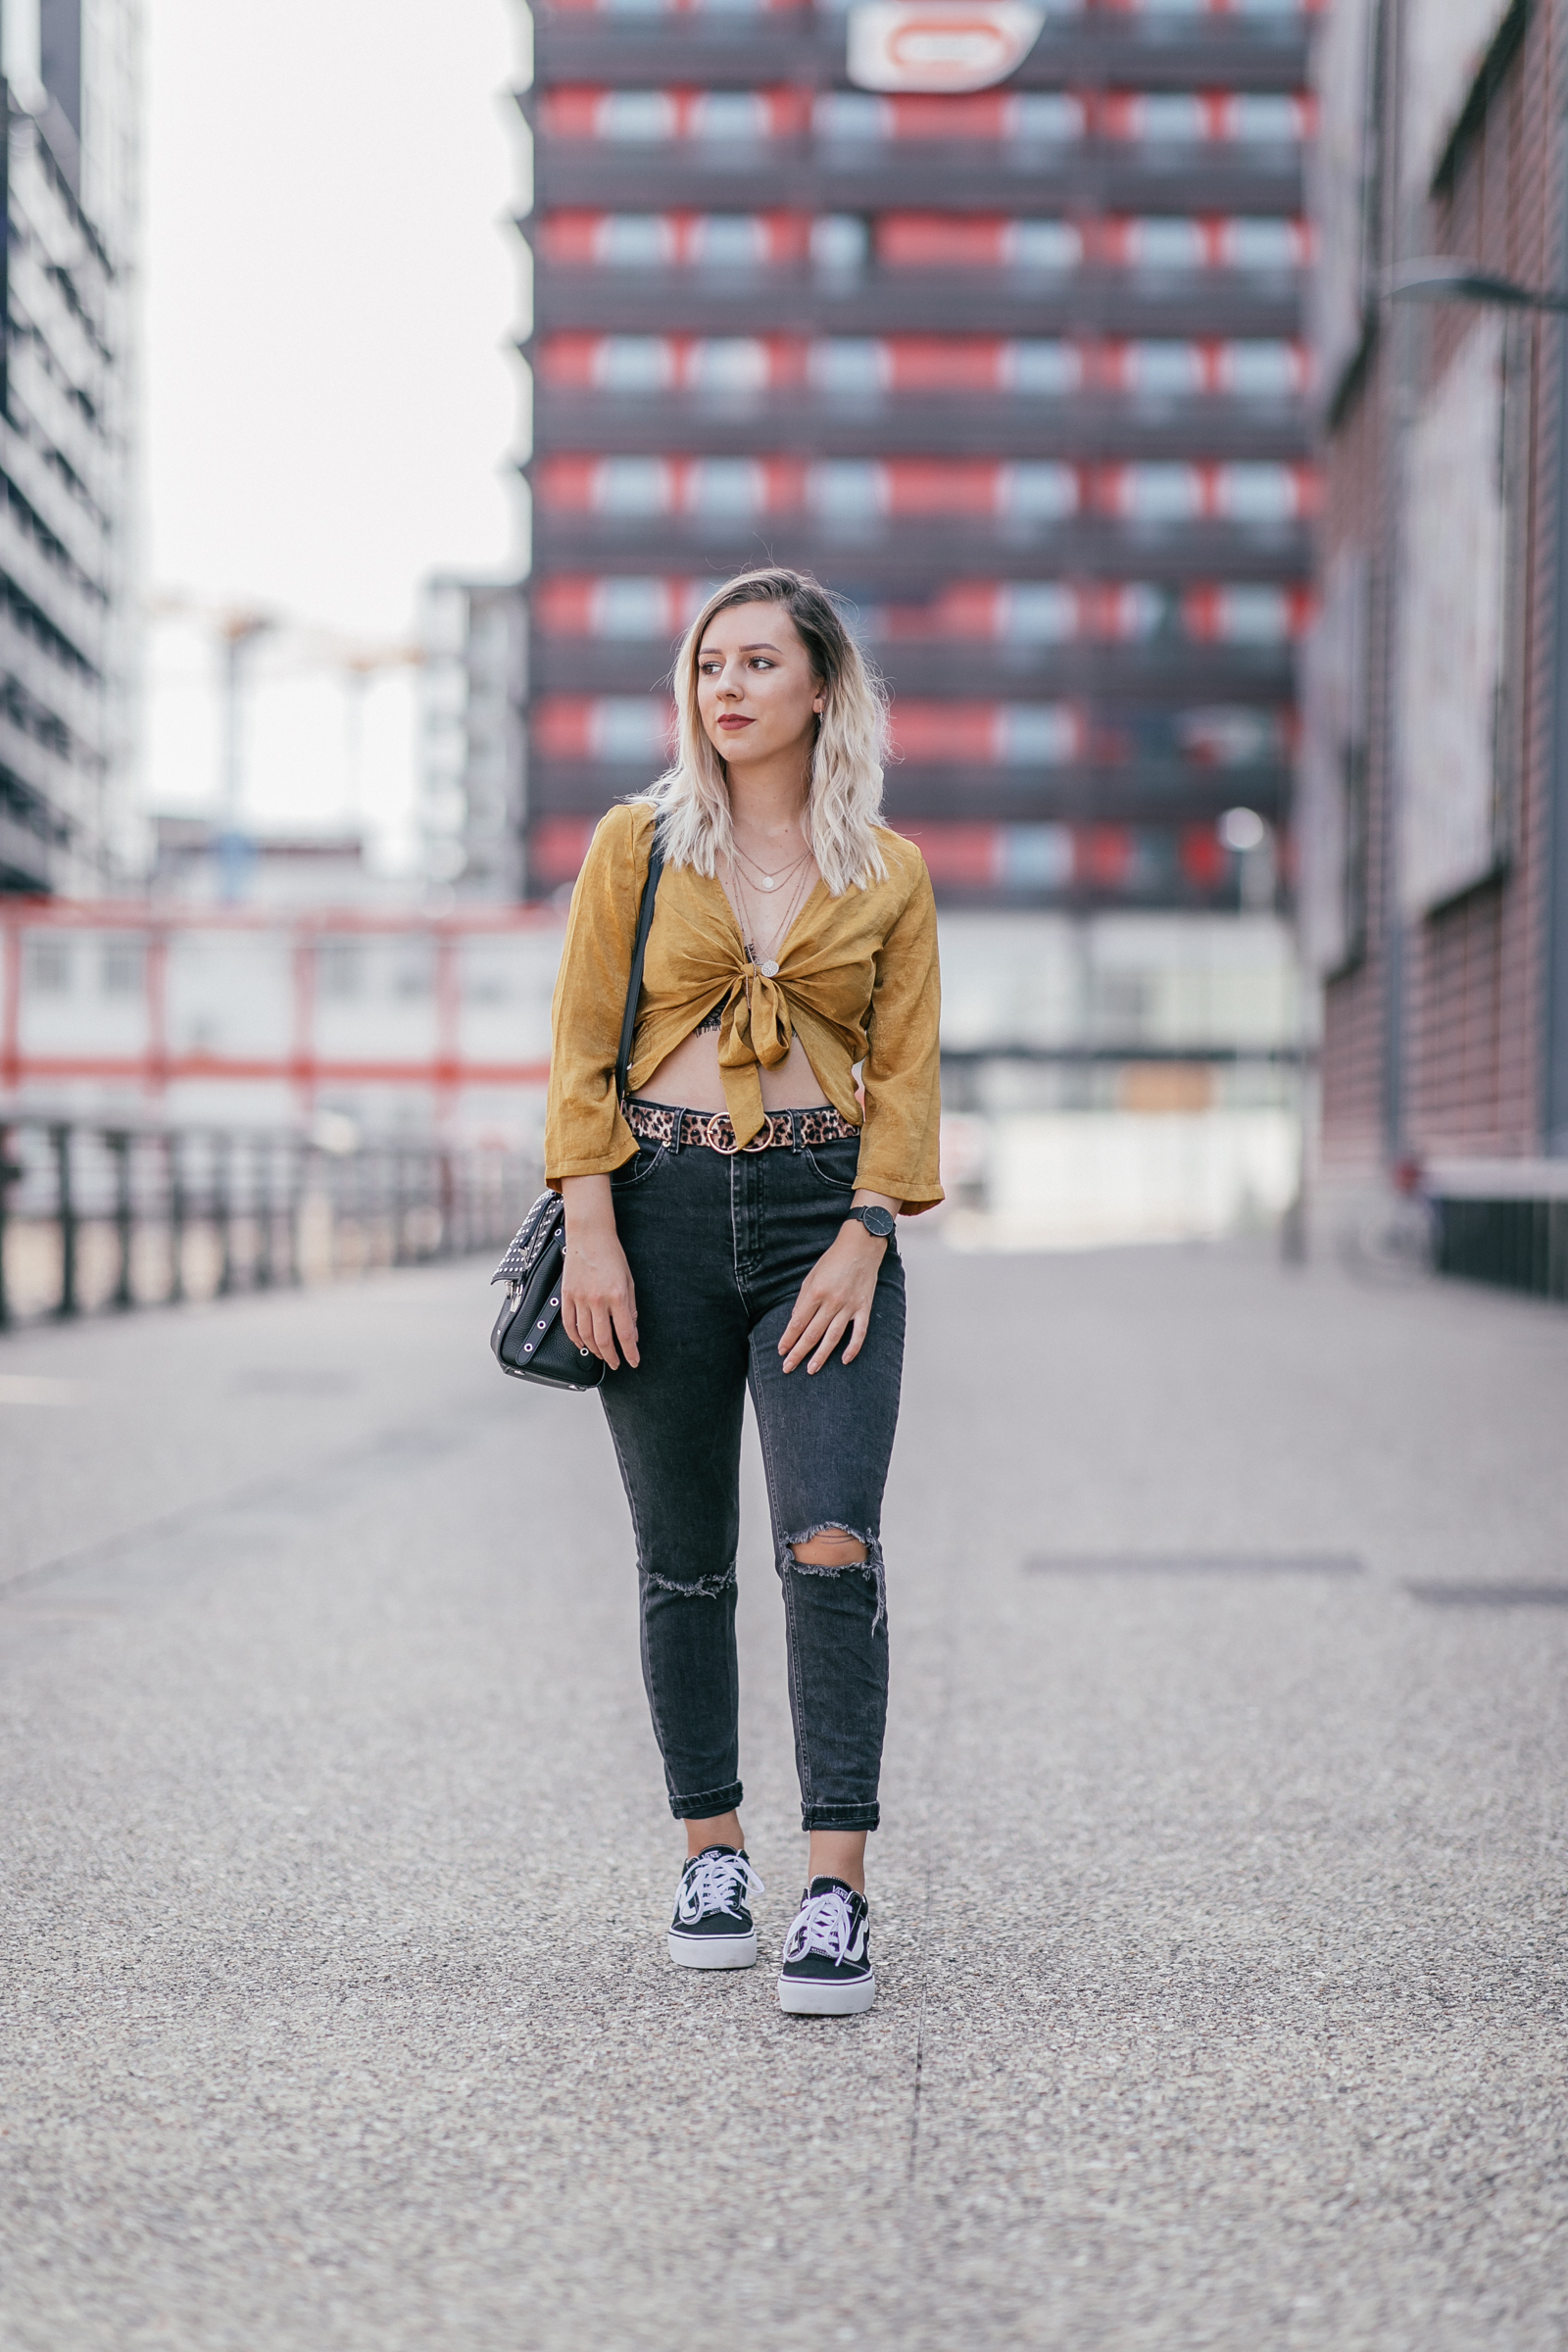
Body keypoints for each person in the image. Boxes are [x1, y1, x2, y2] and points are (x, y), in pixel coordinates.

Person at [545, 566, 942, 2015]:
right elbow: (582, 1048)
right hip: (650, 1209)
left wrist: (868, 1229)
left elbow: (906, 1077)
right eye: (711, 662)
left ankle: (835, 1886)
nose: (726, 685)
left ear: (820, 688)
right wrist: (592, 1226)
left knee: (831, 1539)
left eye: (759, 662)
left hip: (818, 1224)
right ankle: (713, 1853)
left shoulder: (886, 872)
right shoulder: (634, 845)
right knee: (684, 1556)